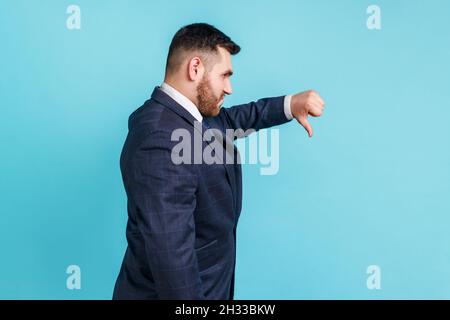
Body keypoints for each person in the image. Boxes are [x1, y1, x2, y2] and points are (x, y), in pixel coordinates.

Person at [113, 23, 325, 300]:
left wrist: (289, 104)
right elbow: (172, 260)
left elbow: (234, 119)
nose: (229, 88)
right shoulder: (159, 140)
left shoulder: (187, 115)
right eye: (225, 75)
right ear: (195, 68)